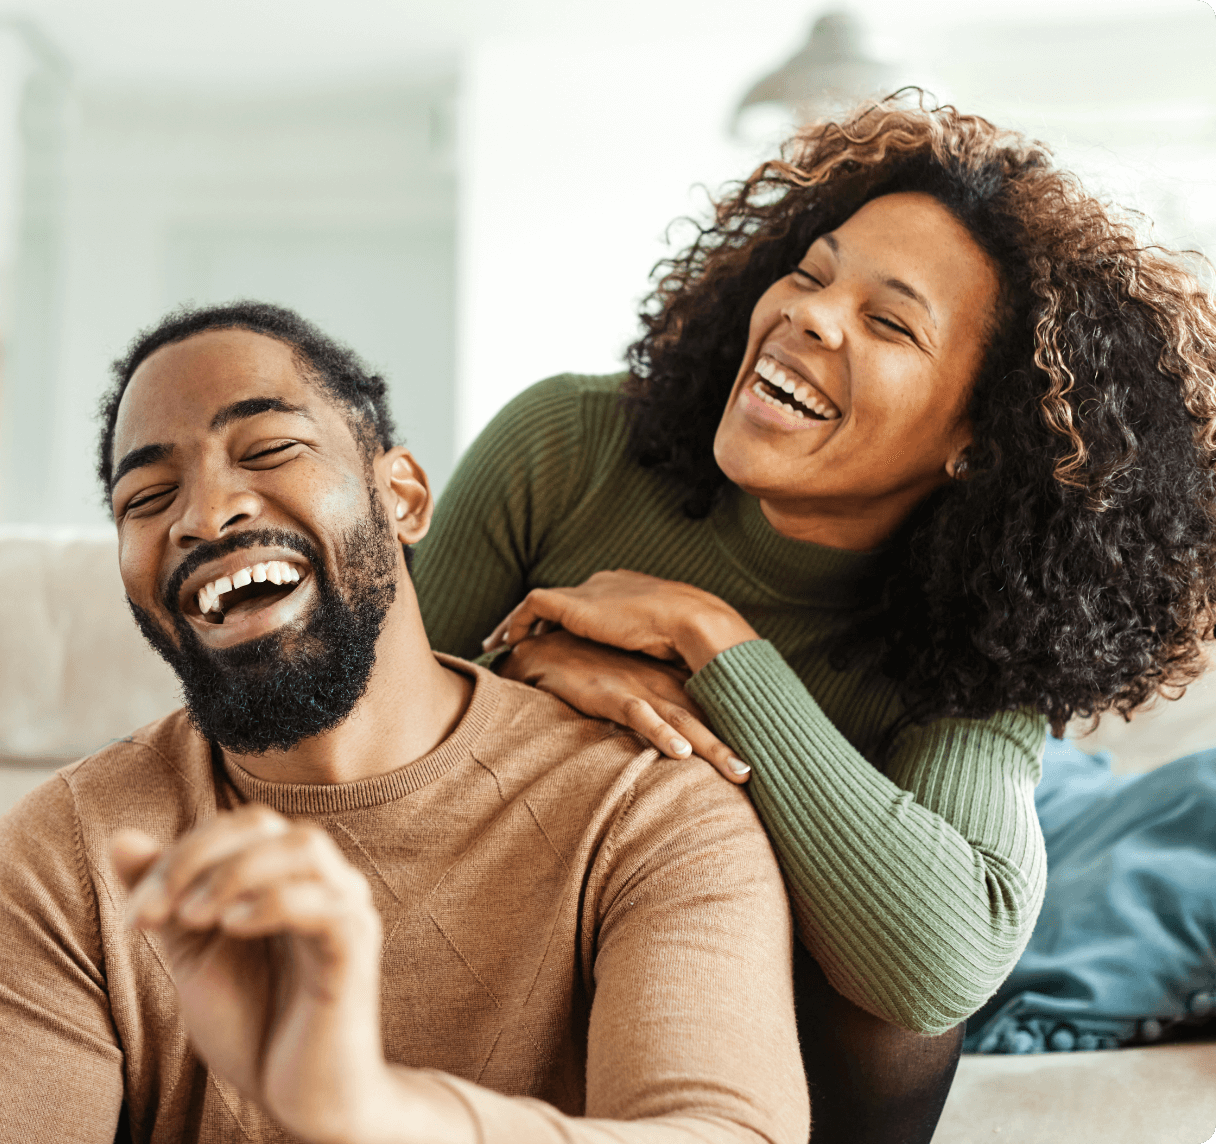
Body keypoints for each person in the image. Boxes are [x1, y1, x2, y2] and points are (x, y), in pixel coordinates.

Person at [414, 96, 1216, 1142]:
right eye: (810, 271)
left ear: (977, 439)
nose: (809, 314)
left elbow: (935, 969)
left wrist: (715, 646)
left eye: (888, 322)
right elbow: (371, 741)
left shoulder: (982, 630)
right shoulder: (567, 443)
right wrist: (525, 673)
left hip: (779, 1008)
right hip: (540, 929)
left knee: (888, 993)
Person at [0, 303, 810, 1144]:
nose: (204, 515)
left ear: (404, 498)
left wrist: (366, 1110)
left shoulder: (649, 811)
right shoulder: (64, 858)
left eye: (270, 449)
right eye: (148, 496)